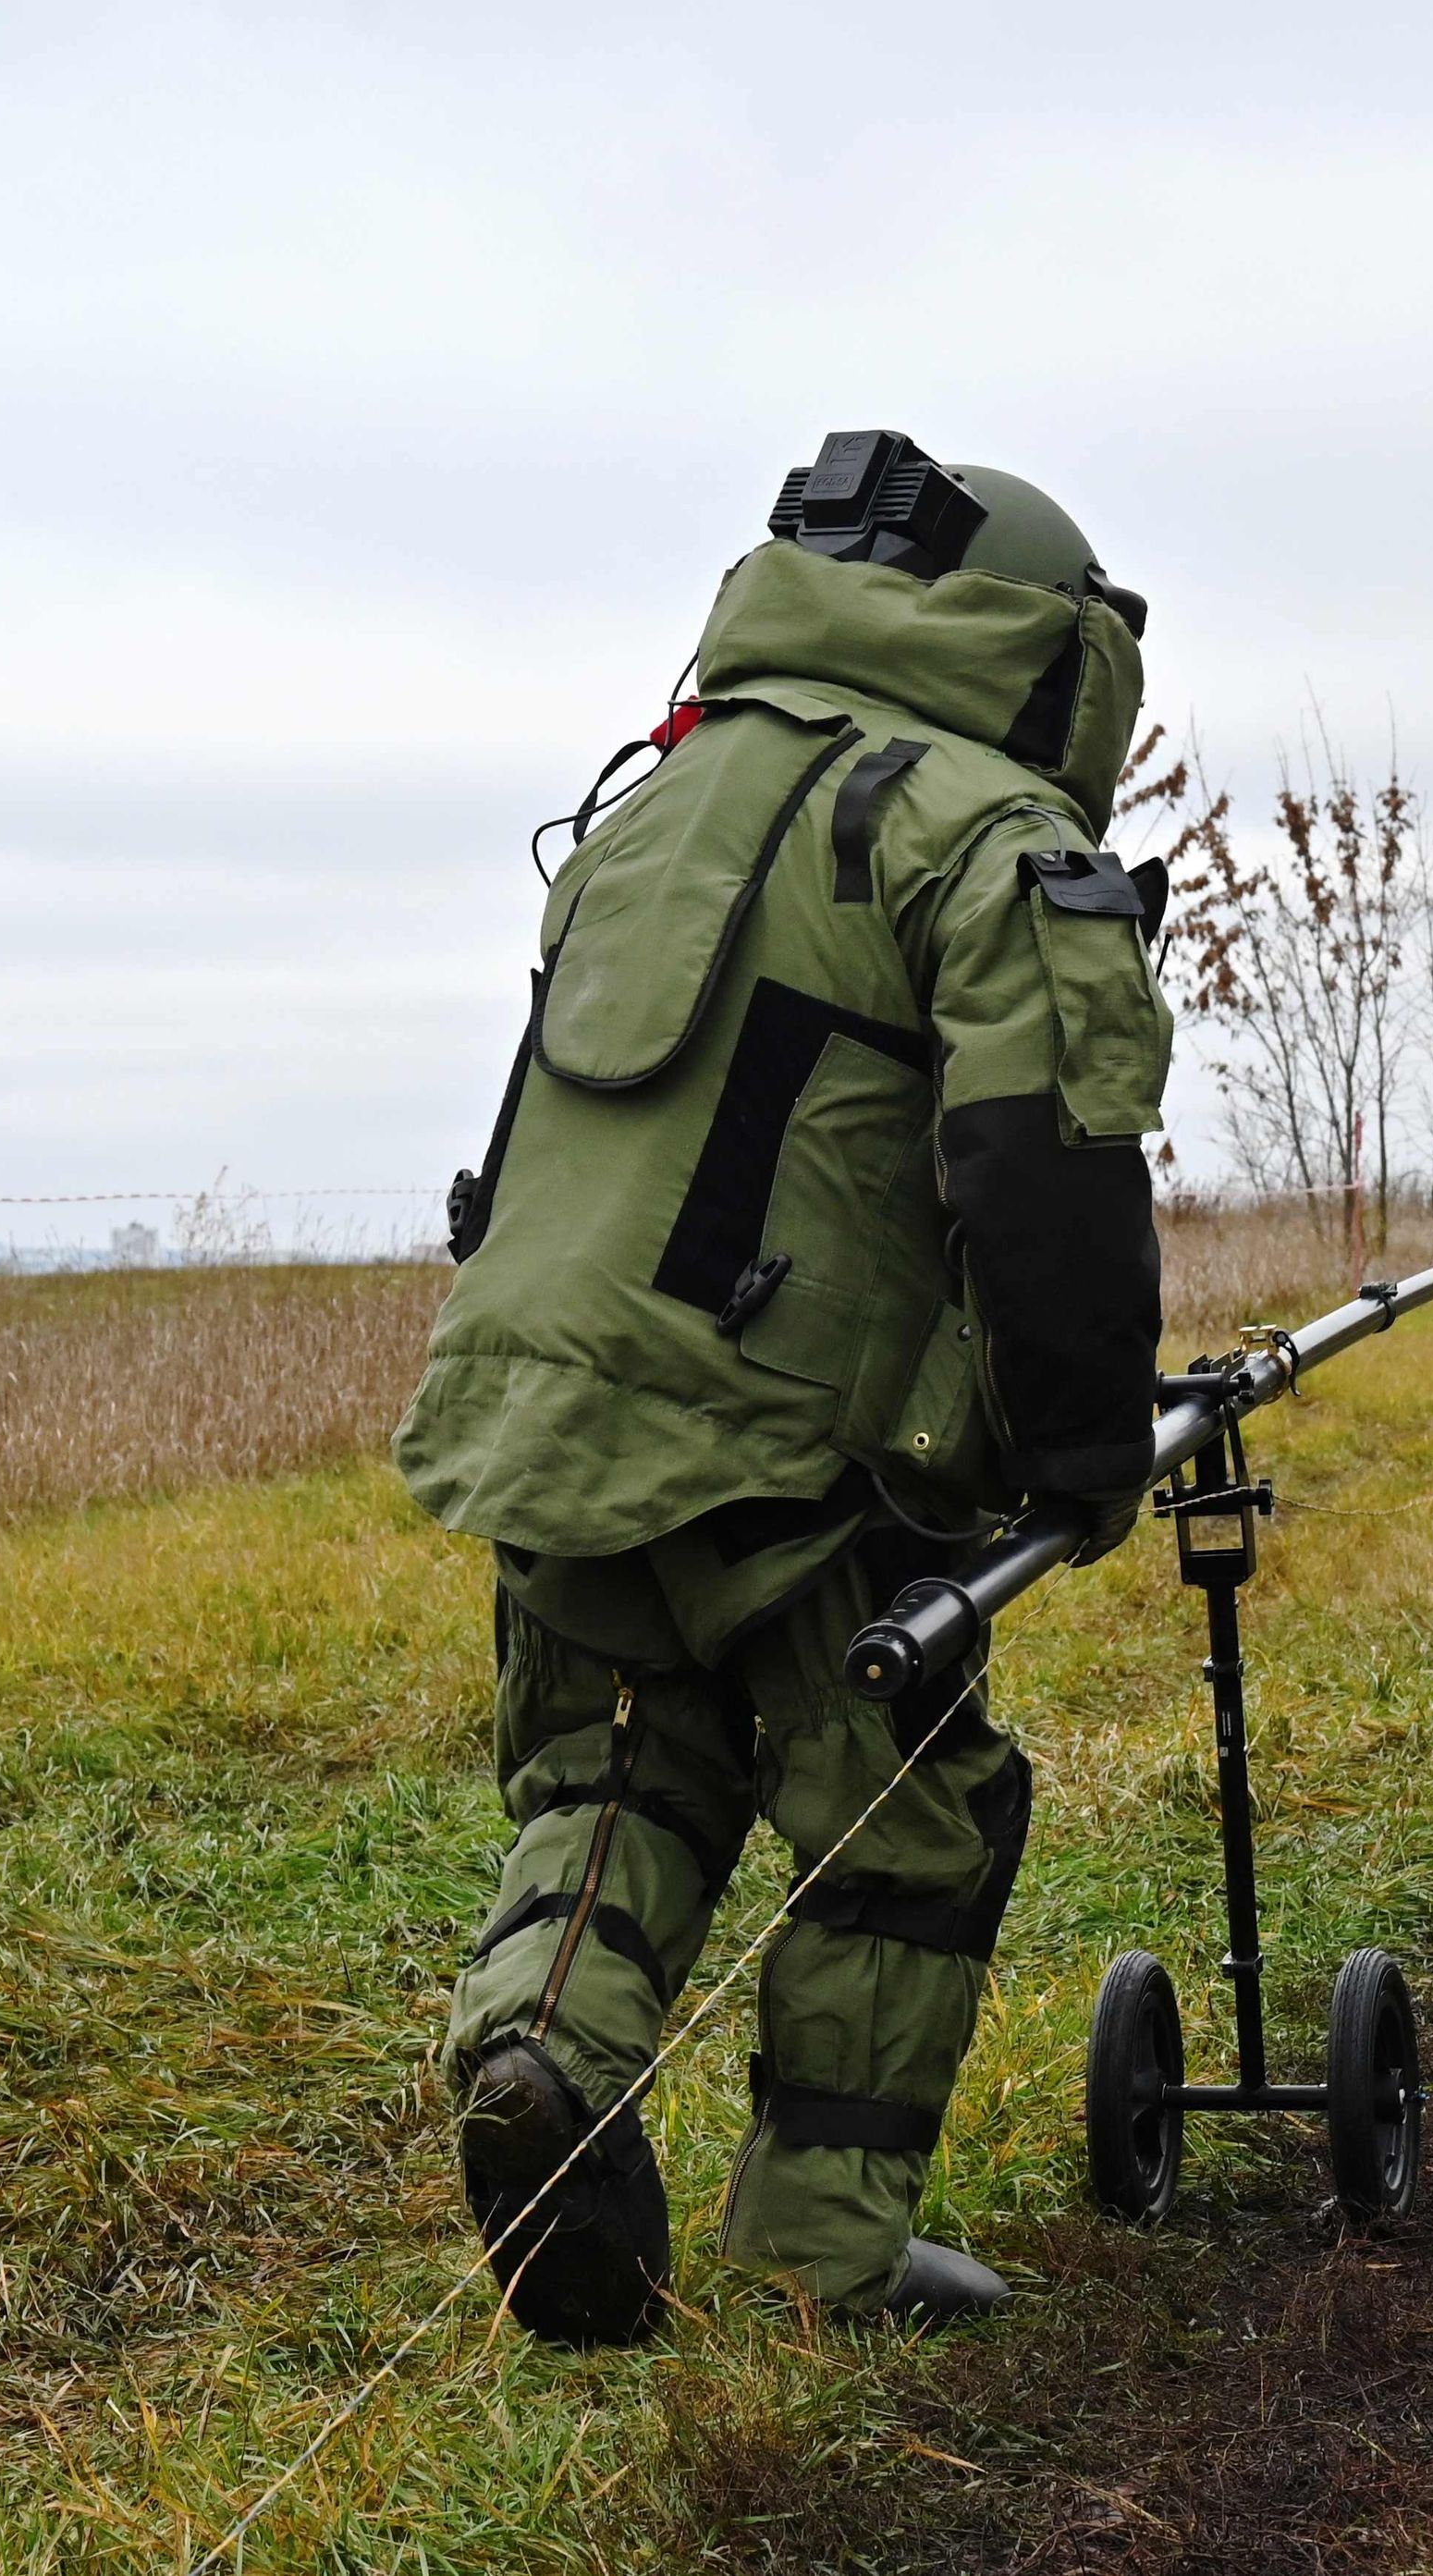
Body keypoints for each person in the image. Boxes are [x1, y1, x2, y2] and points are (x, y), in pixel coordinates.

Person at [394, 431, 1171, 2347]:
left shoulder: (651, 800)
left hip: (544, 1397)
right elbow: (1044, 1159)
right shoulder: (984, 831)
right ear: (1038, 645)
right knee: (902, 1816)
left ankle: (538, 2070)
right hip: (792, 1435)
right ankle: (817, 2257)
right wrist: (1079, 1447)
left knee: (617, 1767)